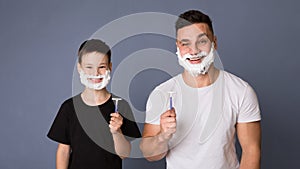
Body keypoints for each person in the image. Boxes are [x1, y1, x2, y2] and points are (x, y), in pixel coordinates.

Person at [140, 10, 261, 169]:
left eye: (202, 41)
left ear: (214, 43)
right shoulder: (161, 93)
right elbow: (150, 155)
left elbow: (251, 151)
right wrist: (163, 136)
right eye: (185, 43)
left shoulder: (241, 91)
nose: (194, 50)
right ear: (178, 47)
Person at [47, 39, 141, 169]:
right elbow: (63, 150)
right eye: (89, 67)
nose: (95, 73)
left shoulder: (120, 106)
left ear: (110, 67)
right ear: (80, 68)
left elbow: (124, 154)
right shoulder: (69, 108)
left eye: (101, 67)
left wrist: (117, 132)